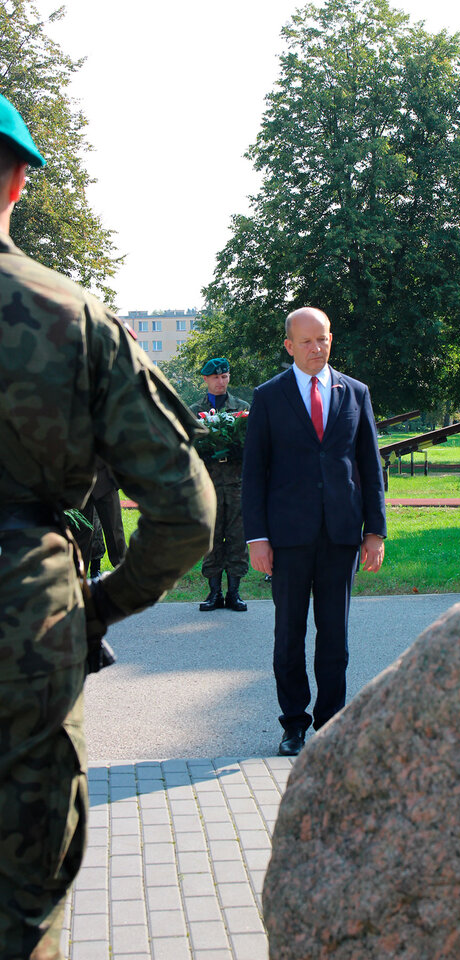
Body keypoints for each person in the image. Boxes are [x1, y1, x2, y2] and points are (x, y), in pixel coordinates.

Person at [0, 94, 216, 960]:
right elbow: (187, 512)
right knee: (21, 905)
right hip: (26, 612)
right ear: (18, 182)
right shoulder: (73, 317)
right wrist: (95, 607)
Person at [242, 307, 386, 757]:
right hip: (286, 537)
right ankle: (293, 724)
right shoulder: (268, 396)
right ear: (289, 345)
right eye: (305, 341)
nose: (315, 348)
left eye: (321, 339)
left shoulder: (355, 393)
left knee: (335, 638)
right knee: (288, 635)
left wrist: (375, 532)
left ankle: (330, 724)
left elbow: (369, 465)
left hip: (341, 533)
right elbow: (254, 474)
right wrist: (256, 537)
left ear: (330, 340)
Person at [190, 357, 250, 612]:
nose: (220, 381)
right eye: (215, 377)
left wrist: (238, 446)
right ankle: (214, 592)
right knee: (211, 537)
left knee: (237, 536)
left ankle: (234, 593)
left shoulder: (242, 408)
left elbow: (253, 444)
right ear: (205, 379)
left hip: (236, 481)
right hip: (208, 482)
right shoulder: (195, 411)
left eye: (224, 377)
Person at [75, 457, 127, 575]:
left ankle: (131, 578)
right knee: (81, 537)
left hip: (104, 477)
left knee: (115, 535)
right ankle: (78, 582)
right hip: (78, 481)